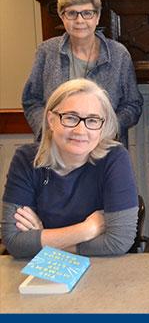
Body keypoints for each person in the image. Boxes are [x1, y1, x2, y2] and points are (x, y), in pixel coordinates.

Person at [2, 79, 138, 259]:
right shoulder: (26, 160)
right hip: (41, 275)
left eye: (92, 120)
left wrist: (43, 240)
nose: (81, 130)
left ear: (102, 126)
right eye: (71, 118)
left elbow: (119, 241)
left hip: (103, 273)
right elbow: (13, 242)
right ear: (51, 120)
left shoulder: (115, 158)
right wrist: (86, 230)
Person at [22, 0, 143, 146]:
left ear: (97, 17)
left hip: (105, 150)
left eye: (87, 13)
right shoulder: (46, 51)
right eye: (72, 13)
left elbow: (133, 104)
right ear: (62, 16)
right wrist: (48, 131)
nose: (79, 20)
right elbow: (31, 100)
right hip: (56, 150)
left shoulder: (119, 54)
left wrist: (108, 129)